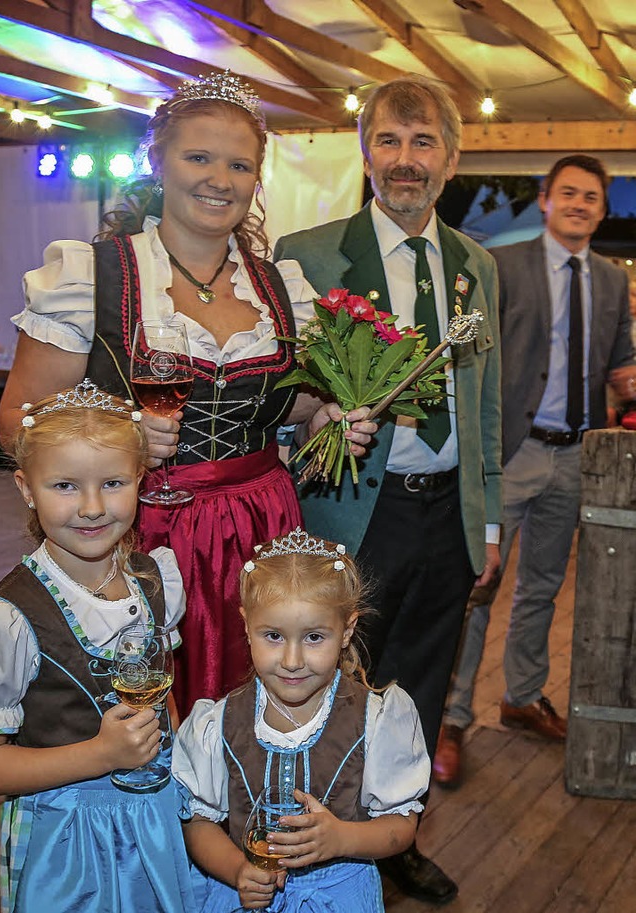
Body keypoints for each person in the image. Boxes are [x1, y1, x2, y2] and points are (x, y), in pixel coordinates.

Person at [0, 71, 374, 718]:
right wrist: (115, 439)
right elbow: (15, 422)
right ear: (158, 160)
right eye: (198, 157)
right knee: (142, 715)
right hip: (140, 533)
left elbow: (295, 409)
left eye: (238, 165)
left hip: (264, 526)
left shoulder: (284, 290)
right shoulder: (93, 274)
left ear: (257, 179)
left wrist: (331, 419)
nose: (218, 180)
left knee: (256, 718)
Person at [274, 75, 502, 904]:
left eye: (423, 142)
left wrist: (492, 519)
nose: (406, 161)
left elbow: (485, 404)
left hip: (447, 518)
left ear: (450, 155)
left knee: (420, 688)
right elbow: (278, 400)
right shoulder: (307, 256)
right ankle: (317, 842)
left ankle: (396, 838)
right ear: (365, 152)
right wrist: (318, 422)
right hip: (352, 513)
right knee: (332, 685)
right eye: (389, 142)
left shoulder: (477, 265)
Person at [434, 154, 636, 788]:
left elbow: (621, 365)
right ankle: (452, 715)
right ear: (546, 200)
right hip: (511, 452)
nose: (579, 205)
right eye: (568, 194)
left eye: (591, 198)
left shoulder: (609, 279)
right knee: (478, 584)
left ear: (603, 209)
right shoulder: (504, 268)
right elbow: (467, 354)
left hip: (578, 456)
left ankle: (521, 695)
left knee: (544, 586)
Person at [0, 380, 196, 913]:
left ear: (140, 479)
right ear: (25, 488)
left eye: (112, 483)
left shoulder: (155, 578)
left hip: (158, 823)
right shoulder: (12, 617)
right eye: (64, 486)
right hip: (67, 841)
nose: (91, 507)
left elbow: (165, 698)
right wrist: (99, 754)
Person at [172, 527, 429, 912]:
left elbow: (401, 827)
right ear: (246, 625)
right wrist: (237, 870)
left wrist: (342, 839)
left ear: (347, 630)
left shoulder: (378, 718)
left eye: (313, 637)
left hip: (337, 895)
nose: (292, 661)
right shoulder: (219, 722)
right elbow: (198, 822)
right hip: (246, 894)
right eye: (273, 636)